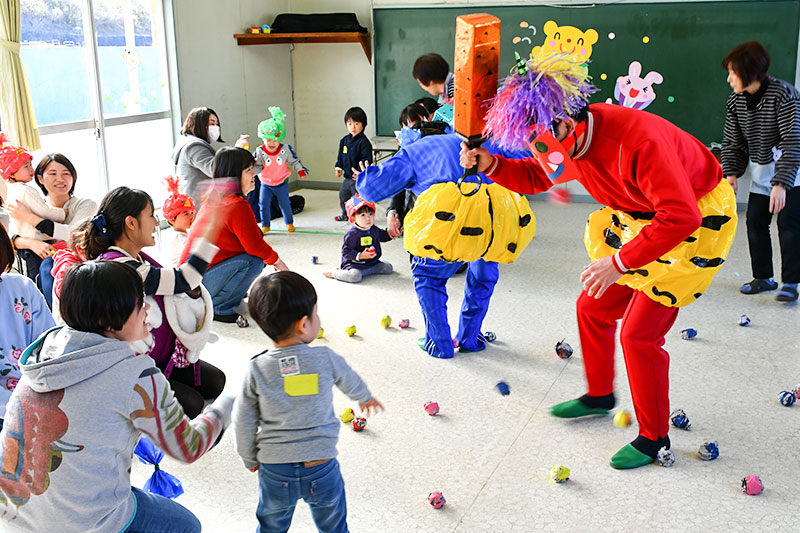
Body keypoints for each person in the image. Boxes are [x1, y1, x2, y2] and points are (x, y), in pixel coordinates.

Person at [461, 49, 737, 469]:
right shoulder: (558, 136)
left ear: (567, 124)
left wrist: (620, 263)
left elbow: (681, 216)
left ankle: (654, 438)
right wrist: (492, 164)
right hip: (640, 218)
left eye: (542, 140)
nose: (540, 149)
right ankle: (599, 395)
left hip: (695, 222)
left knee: (639, 336)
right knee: (592, 306)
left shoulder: (637, 144)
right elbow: (540, 174)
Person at [0, 260, 232, 532]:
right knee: (186, 525)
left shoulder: (43, 355)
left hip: (15, 514)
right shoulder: (136, 374)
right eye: (138, 303)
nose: (147, 308)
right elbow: (188, 447)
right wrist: (227, 406)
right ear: (106, 319)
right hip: (84, 521)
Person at [356, 125, 536, 360]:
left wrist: (363, 175)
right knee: (482, 278)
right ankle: (470, 338)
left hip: (446, 233)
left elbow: (371, 189)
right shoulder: (501, 143)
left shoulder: (420, 149)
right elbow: (535, 173)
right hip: (494, 232)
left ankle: (439, 343)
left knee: (429, 278)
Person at [234, 271, 383, 533]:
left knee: (271, 525)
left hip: (275, 470)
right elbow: (347, 378)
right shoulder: (324, 358)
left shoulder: (256, 368)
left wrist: (249, 457)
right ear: (304, 324)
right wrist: (364, 397)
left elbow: (243, 419)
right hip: (321, 466)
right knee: (333, 524)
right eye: (316, 313)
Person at [87, 186, 225, 419]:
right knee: (193, 406)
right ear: (131, 223)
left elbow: (179, 288)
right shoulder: (121, 268)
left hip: (162, 356)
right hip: (134, 366)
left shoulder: (138, 258)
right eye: (151, 214)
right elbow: (184, 279)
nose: (155, 221)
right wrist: (209, 229)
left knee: (216, 382)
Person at [721, 41, 800, 302]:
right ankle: (763, 277)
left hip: (792, 176)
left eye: (733, 72)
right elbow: (733, 141)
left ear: (750, 72)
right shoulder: (736, 100)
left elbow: (794, 140)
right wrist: (730, 171)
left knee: (789, 226)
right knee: (755, 221)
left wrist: (781, 183)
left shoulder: (784, 94)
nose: (729, 78)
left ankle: (790, 283)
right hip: (762, 175)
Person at [181, 147, 288, 325]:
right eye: (248, 170)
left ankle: (222, 296)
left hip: (191, 282)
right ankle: (220, 306)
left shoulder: (217, 197)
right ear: (235, 175)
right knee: (255, 260)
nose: (253, 174)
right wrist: (279, 262)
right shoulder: (236, 205)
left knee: (254, 254)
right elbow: (255, 246)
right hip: (198, 284)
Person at [8, 153, 98, 307]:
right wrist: (32, 244)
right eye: (52, 174)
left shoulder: (86, 205)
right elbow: (11, 237)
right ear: (40, 178)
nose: (60, 179)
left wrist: (30, 218)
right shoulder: (34, 204)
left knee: (49, 265)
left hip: (75, 272)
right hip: (33, 264)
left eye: (66, 174)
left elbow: (72, 234)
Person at [0, 222, 54, 430]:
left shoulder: (22, 287)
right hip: (29, 410)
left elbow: (49, 349)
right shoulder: (22, 287)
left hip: (32, 408)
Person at [0, 137, 69, 288]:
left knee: (34, 279)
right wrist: (63, 213)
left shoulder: (10, 191)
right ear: (12, 172)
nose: (31, 169)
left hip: (25, 249)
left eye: (31, 165)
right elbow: (45, 211)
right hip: (36, 247)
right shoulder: (26, 190)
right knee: (41, 280)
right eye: (26, 166)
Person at [172, 106, 249, 205]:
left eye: (217, 124)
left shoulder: (191, 143)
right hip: (199, 207)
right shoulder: (193, 147)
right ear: (199, 124)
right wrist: (238, 150)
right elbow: (215, 170)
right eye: (212, 123)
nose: (215, 127)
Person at [252, 107, 308, 234]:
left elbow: (294, 161)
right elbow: (258, 166)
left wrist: (300, 170)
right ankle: (266, 225)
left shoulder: (285, 150)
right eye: (268, 140)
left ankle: (289, 223)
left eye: (275, 140)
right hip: (265, 184)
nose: (272, 143)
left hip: (281, 183)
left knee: (285, 204)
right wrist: (252, 170)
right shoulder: (260, 151)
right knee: (263, 204)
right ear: (263, 138)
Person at [323, 195, 393, 283]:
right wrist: (360, 255)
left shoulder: (373, 228)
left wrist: (391, 233)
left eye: (370, 214)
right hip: (355, 265)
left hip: (372, 263)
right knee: (355, 277)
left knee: (388, 268)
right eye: (363, 215)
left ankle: (369, 270)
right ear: (353, 218)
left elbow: (383, 236)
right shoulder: (352, 234)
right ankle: (334, 273)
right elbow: (346, 252)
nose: (368, 218)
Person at [334, 107, 373, 221]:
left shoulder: (364, 142)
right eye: (349, 123)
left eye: (356, 123)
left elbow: (367, 160)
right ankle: (346, 215)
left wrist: (361, 173)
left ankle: (359, 217)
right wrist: (338, 167)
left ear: (363, 124)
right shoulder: (344, 141)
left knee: (358, 199)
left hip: (358, 179)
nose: (353, 127)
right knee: (343, 196)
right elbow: (340, 157)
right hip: (347, 178)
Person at [50, 219, 91, 323]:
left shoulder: (73, 261)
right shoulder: (67, 269)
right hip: (67, 328)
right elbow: (69, 297)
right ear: (81, 248)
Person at [163, 176, 197, 266]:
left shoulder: (180, 233)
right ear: (172, 220)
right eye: (186, 214)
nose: (191, 216)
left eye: (192, 212)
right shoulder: (179, 237)